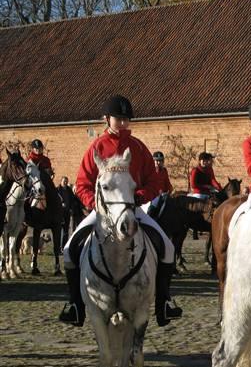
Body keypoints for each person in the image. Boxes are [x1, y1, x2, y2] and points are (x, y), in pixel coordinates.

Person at [58, 95, 183, 327]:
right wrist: (94, 204)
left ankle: (164, 303)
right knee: (68, 249)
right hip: (104, 212)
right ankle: (76, 305)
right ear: (107, 119)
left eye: (126, 119)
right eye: (119, 119)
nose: (123, 123)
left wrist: (140, 197)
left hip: (133, 210)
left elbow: (153, 182)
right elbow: (83, 183)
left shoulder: (138, 147)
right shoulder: (96, 147)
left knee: (166, 246)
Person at [146, 151, 173, 218]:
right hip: (153, 195)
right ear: (153, 161)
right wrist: (157, 191)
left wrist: (170, 189)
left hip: (163, 195)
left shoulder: (164, 170)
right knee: (153, 205)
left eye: (160, 161)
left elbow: (167, 182)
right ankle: (149, 218)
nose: (158, 163)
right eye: (156, 161)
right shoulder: (149, 171)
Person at [57, 176, 76, 247]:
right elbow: (54, 201)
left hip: (67, 213)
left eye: (66, 181)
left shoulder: (69, 190)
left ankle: (64, 246)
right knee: (58, 231)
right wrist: (61, 204)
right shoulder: (57, 190)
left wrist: (71, 208)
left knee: (66, 231)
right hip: (59, 213)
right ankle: (58, 247)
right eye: (64, 181)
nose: (65, 182)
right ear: (61, 181)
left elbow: (72, 200)